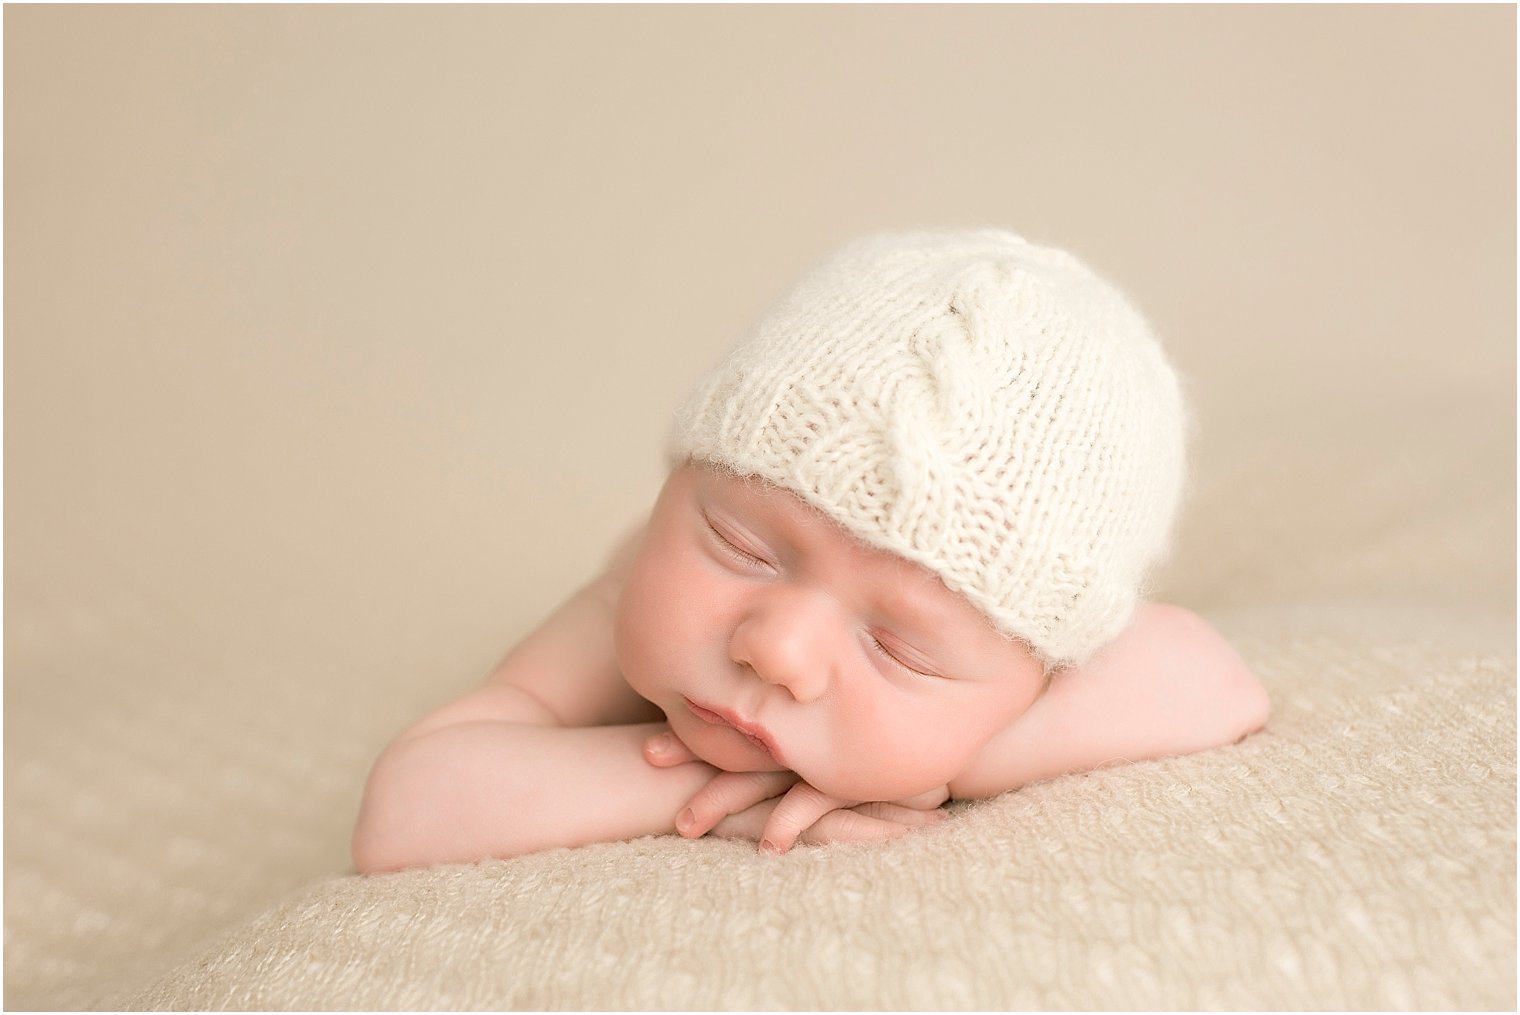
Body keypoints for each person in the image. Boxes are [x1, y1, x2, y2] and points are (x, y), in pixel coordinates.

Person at [351, 229, 1270, 873]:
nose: (777, 649)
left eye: (899, 646)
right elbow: (410, 805)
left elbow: (1215, 679)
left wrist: (945, 760)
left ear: (1037, 671)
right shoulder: (637, 574)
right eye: (742, 545)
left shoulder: (1036, 648)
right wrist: (731, 786)